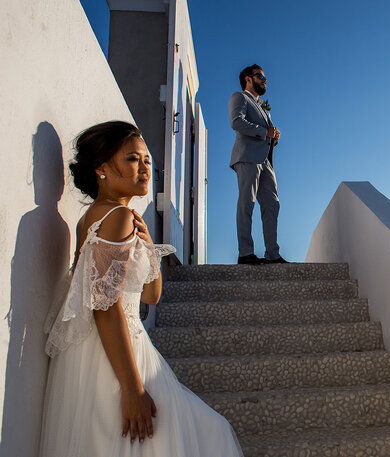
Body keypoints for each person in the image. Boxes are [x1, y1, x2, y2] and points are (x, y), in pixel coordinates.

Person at [40, 121, 243, 457]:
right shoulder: (116, 216)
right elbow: (105, 306)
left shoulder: (94, 217)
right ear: (102, 169)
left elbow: (150, 295)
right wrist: (132, 388)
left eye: (147, 160)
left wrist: (148, 247)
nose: (145, 167)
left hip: (100, 349)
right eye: (133, 159)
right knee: (209, 433)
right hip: (120, 354)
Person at [228, 64, 288, 265]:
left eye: (264, 77)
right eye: (260, 76)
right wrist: (265, 133)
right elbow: (236, 122)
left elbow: (265, 132)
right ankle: (245, 253)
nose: (264, 79)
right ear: (248, 78)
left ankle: (273, 254)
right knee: (247, 203)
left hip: (265, 161)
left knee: (272, 204)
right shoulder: (239, 97)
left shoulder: (261, 107)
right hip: (247, 157)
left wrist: (273, 137)